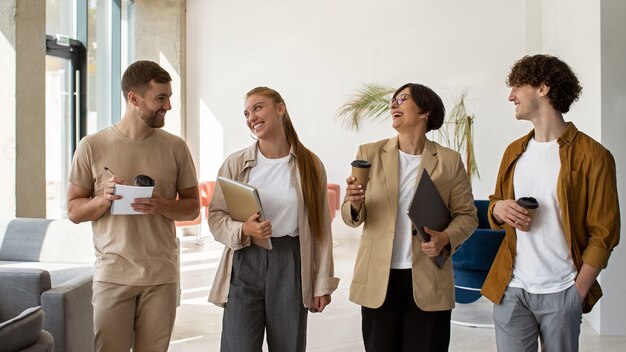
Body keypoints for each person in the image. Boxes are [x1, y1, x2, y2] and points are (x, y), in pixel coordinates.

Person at [481, 54, 621, 351]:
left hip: (562, 291)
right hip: (512, 288)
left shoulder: (594, 156)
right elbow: (495, 202)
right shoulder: (513, 152)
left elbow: (605, 232)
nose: (511, 96)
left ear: (543, 88)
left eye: (517, 86)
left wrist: (577, 290)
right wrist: (498, 208)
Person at [67, 60, 200, 351]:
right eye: (160, 98)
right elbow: (74, 211)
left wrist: (161, 205)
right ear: (134, 98)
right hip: (113, 275)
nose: (168, 106)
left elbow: (193, 207)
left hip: (161, 276)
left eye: (169, 97)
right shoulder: (92, 145)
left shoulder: (176, 147)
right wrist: (103, 199)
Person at [342, 83, 478, 351]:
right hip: (379, 280)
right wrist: (355, 203)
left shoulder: (449, 161)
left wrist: (446, 238)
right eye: (393, 100)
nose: (394, 104)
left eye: (402, 99)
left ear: (425, 112)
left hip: (429, 280)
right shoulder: (369, 153)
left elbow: (467, 215)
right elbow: (351, 217)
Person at [208, 87, 339, 352]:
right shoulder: (235, 163)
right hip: (244, 259)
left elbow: (321, 230)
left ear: (280, 108)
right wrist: (243, 229)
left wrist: (322, 283)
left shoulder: (311, 165)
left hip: (290, 262)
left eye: (258, 107)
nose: (251, 117)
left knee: (288, 346)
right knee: (237, 345)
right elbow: (215, 217)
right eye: (246, 112)